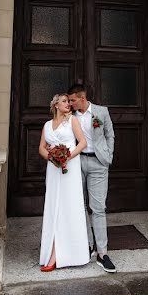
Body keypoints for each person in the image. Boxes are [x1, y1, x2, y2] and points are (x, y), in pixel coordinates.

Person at [68, 83, 117, 273]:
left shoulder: (101, 112)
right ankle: (87, 245)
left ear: (82, 98)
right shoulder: (69, 116)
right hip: (76, 163)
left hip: (98, 163)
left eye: (72, 100)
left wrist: (108, 155)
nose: (70, 103)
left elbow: (109, 135)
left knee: (98, 208)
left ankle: (102, 253)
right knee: (80, 206)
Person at [38, 93, 90, 272]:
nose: (68, 104)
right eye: (64, 101)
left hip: (70, 167)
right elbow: (41, 147)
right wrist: (52, 158)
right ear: (56, 105)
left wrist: (67, 157)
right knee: (54, 207)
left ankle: (66, 254)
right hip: (53, 169)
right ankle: (52, 251)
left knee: (69, 206)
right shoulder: (47, 125)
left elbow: (82, 143)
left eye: (69, 101)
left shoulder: (73, 121)